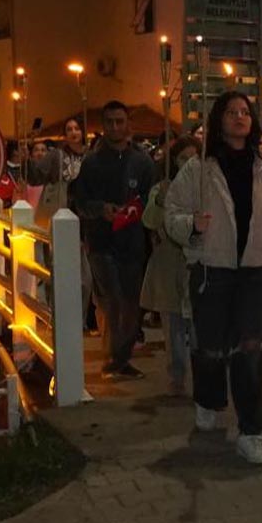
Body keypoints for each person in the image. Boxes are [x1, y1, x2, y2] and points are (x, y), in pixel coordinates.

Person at [165, 91, 262, 464]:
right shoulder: (199, 168)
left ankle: (251, 431)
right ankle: (209, 400)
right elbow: (172, 212)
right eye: (232, 112)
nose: (239, 117)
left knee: (252, 351)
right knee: (211, 348)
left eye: (245, 112)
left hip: (257, 273)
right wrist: (191, 225)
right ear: (219, 119)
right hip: (213, 269)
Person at [73, 101, 156, 381]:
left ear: (127, 123)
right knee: (113, 300)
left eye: (120, 121)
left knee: (132, 303)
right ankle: (114, 358)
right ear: (103, 124)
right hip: (101, 242)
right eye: (109, 122)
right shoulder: (92, 163)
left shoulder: (143, 162)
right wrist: (100, 210)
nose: (115, 127)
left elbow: (152, 198)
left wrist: (135, 209)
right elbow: (80, 201)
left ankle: (121, 358)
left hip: (132, 242)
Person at [140, 135, 201, 396]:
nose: (187, 163)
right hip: (168, 260)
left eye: (192, 158)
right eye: (182, 158)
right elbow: (150, 222)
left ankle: (203, 376)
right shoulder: (163, 187)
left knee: (198, 324)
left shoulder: (206, 188)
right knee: (173, 325)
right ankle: (176, 376)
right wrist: (160, 202)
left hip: (196, 260)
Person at [28, 117, 87, 228]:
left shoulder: (89, 156)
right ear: (65, 135)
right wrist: (26, 160)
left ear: (83, 132)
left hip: (85, 217)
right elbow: (36, 176)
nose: (73, 132)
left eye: (77, 128)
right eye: (69, 129)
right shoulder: (56, 156)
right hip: (61, 213)